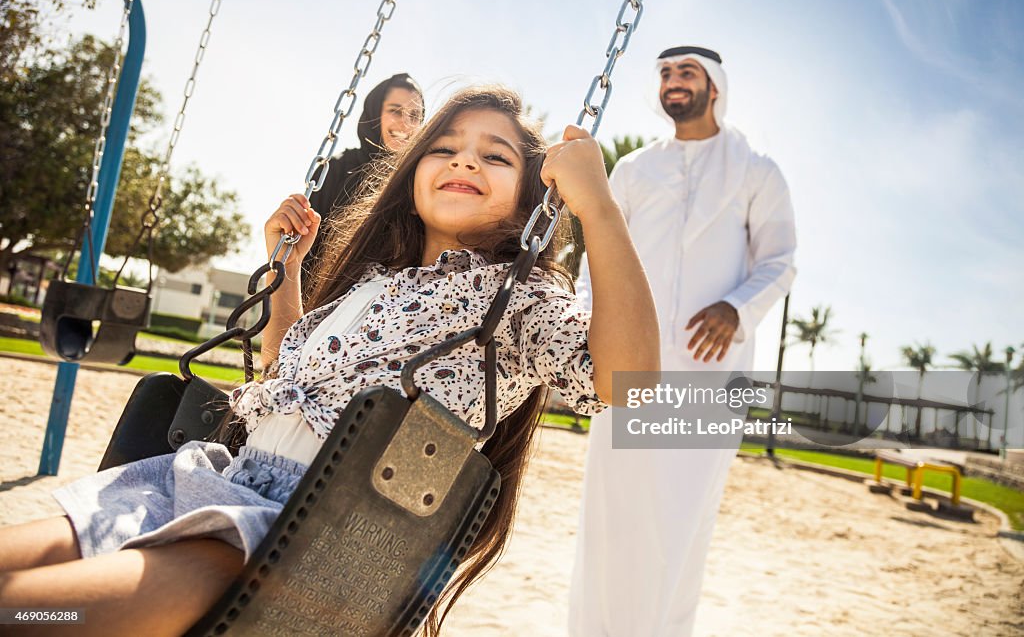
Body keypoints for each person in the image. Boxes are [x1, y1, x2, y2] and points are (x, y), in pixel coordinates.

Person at [0, 85, 660, 637]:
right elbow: (286, 372)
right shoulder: (373, 283)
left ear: (533, 200)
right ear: (413, 177)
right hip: (208, 484)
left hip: (301, 539)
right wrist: (284, 264)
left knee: (31, 615)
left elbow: (628, 386)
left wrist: (598, 207)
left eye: (496, 156)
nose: (467, 162)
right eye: (446, 148)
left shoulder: (517, 298)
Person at [568, 46, 797, 636]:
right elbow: (598, 258)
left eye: (686, 72)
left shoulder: (756, 169)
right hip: (630, 369)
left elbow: (780, 261)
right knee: (613, 516)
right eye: (666, 73)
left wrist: (736, 307)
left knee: (679, 521)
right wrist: (589, 338)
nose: (673, 81)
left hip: (707, 376)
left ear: (714, 86)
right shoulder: (635, 169)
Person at [302, 72, 425, 282]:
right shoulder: (337, 168)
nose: (405, 124)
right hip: (326, 293)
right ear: (374, 112)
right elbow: (307, 250)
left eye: (414, 116)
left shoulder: (420, 180)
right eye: (395, 111)